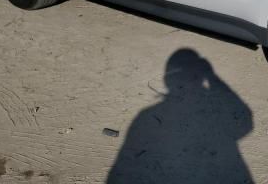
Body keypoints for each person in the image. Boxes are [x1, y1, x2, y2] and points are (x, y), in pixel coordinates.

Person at [107, 48, 254, 183]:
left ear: (167, 79)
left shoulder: (145, 115)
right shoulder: (146, 115)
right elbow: (246, 123)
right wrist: (212, 76)